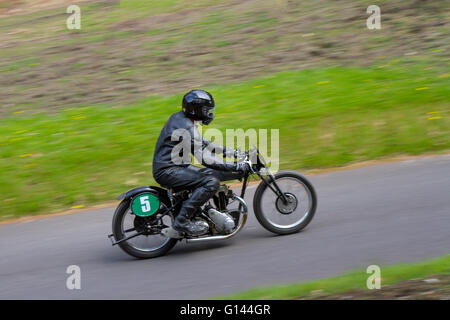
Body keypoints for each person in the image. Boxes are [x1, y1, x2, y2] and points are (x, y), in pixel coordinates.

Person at [152, 90, 250, 236]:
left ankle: (205, 213)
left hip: (174, 167)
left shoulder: (182, 119)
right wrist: (235, 166)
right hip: (169, 171)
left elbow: (205, 143)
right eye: (206, 110)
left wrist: (232, 153)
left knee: (212, 174)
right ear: (196, 110)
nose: (209, 114)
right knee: (211, 181)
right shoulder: (186, 126)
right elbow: (205, 159)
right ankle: (182, 222)